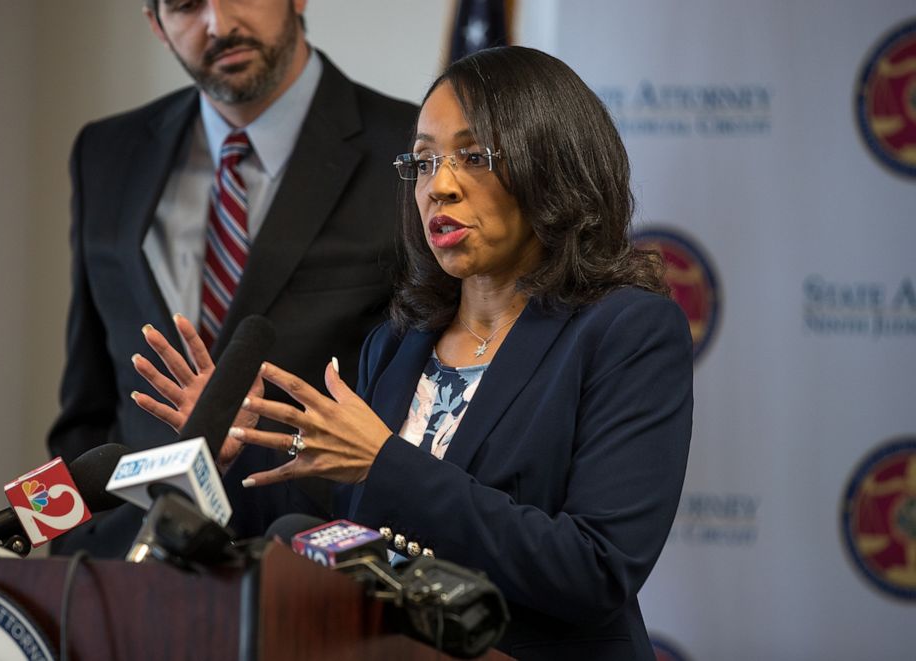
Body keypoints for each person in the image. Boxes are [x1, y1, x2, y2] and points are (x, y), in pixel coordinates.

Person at [136, 46, 692, 660]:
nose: (439, 187)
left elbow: (595, 568)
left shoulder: (626, 331)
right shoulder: (399, 342)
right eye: (423, 162)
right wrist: (236, 454)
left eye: (474, 157)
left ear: (554, 165)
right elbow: (338, 537)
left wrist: (384, 463)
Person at [48, 0, 416, 557]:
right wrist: (75, 552)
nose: (219, 24)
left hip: (312, 567)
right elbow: (88, 399)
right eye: (186, 5)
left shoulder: (411, 152)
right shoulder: (106, 153)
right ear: (156, 23)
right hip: (125, 571)